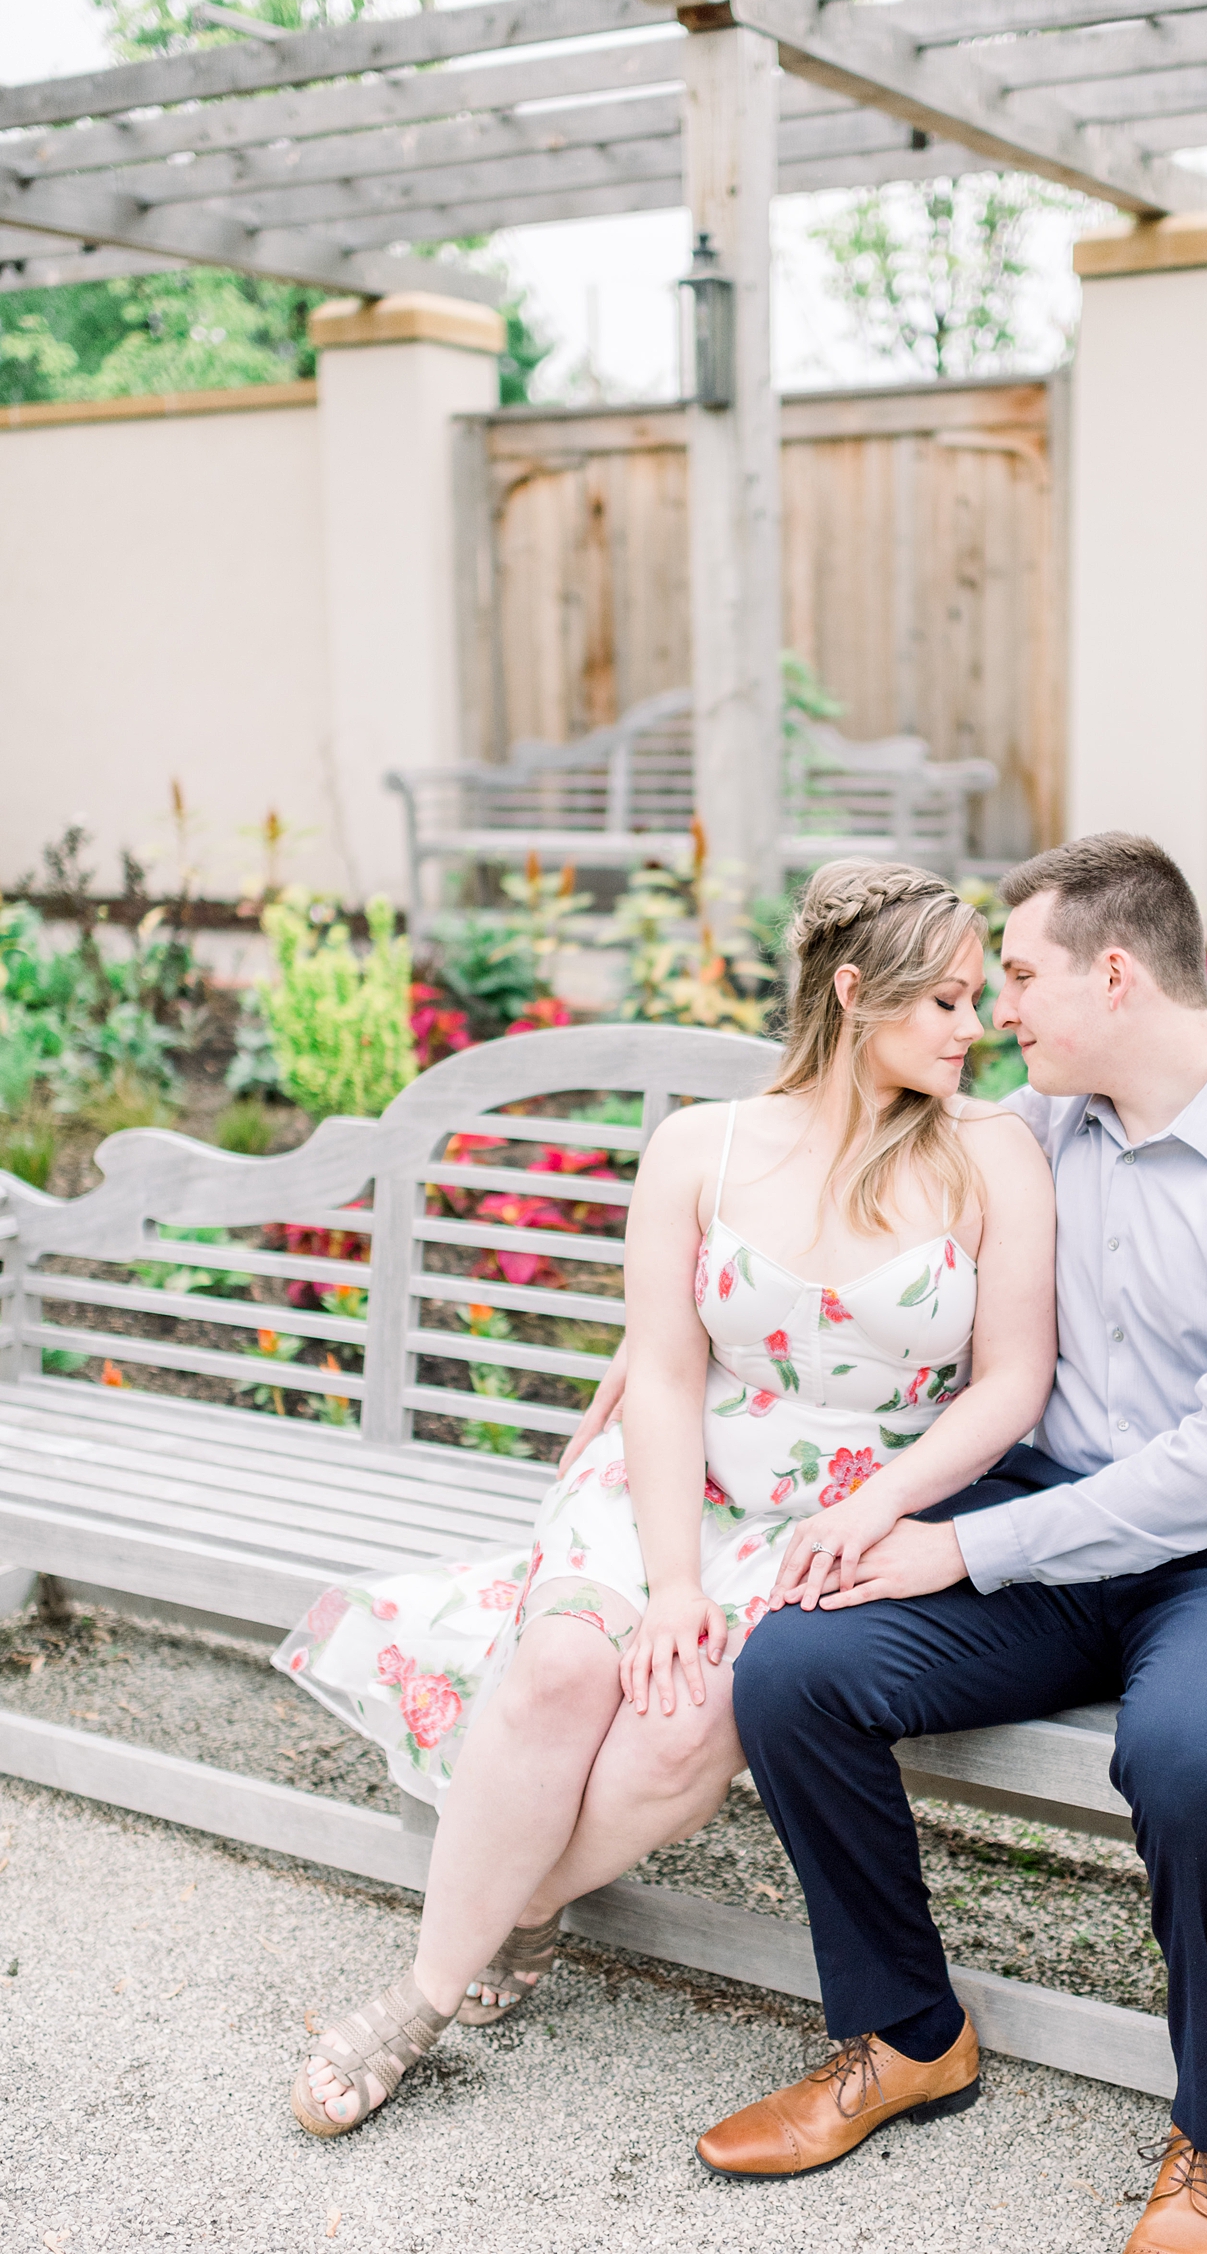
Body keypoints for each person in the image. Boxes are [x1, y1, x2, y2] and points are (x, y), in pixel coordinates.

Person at [578, 832, 1207, 2254]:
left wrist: (954, 1543)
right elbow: (822, 1196)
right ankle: (905, 2035)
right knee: (793, 1670)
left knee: (1196, 1754)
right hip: (1061, 1525)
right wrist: (654, 1347)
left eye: (1012, 975)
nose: (988, 1006)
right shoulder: (1038, 1124)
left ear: (1109, 971)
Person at [278, 859, 1058, 2141]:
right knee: (561, 1677)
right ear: (856, 996)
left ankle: (520, 1906)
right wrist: (676, 1583)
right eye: (950, 1004)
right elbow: (666, 1370)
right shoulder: (703, 1148)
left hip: (840, 1517)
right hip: (673, 1479)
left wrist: (883, 1508)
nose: (978, 1030)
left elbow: (1013, 1382)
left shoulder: (991, 1154)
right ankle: (420, 2001)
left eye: (982, 1003)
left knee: (677, 1730)